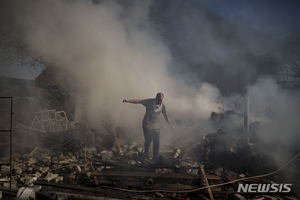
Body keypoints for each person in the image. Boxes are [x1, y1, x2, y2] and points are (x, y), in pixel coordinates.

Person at [123, 92, 173, 160]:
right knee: (148, 141)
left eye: (161, 100)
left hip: (156, 126)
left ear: (162, 99)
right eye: (158, 99)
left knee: (156, 142)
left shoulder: (162, 106)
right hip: (147, 125)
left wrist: (170, 125)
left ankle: (155, 157)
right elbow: (139, 101)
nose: (159, 101)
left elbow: (165, 116)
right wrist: (128, 101)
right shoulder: (150, 102)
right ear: (156, 98)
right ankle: (146, 155)